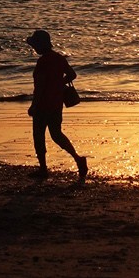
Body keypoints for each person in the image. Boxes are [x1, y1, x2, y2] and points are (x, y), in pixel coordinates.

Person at [25, 29, 87, 182]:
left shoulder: (42, 62)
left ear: (40, 45)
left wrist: (34, 105)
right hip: (56, 103)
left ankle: (43, 169)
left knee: (38, 136)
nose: (34, 48)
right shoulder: (59, 58)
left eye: (35, 45)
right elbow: (72, 75)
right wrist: (59, 83)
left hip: (43, 105)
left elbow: (40, 87)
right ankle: (78, 159)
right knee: (57, 135)